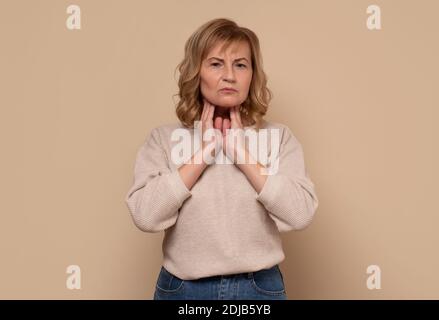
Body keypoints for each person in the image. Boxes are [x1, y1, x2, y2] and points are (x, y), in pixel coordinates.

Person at [125, 18, 319, 300]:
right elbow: (145, 215)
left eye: (240, 64)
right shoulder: (163, 139)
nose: (229, 75)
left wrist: (242, 155)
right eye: (216, 63)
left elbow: (300, 214)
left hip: (259, 289)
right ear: (196, 72)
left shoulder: (279, 137)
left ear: (252, 74)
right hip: (182, 290)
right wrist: (204, 154)